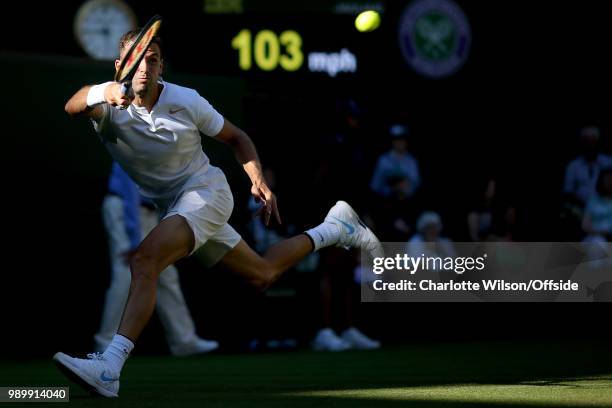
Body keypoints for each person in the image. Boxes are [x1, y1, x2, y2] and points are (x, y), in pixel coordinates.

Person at [54, 28, 382, 398]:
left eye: (152, 60)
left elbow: (237, 138)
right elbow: (74, 104)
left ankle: (109, 368)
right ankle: (334, 228)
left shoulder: (186, 100)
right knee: (263, 272)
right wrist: (105, 91)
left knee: (145, 260)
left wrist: (256, 179)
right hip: (173, 206)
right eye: (136, 61)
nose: (144, 68)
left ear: (161, 67)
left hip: (206, 192)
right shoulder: (108, 109)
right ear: (121, 67)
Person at [96, 162, 218, 356]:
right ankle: (106, 341)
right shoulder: (129, 139)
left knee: (166, 275)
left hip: (148, 214)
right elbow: (129, 191)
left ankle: (184, 341)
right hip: (123, 209)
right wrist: (135, 240)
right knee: (125, 274)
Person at [563, 126, 612, 206]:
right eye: (586, 141)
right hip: (580, 208)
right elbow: (568, 191)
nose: (590, 145)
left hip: (606, 208)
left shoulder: (609, 162)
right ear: (582, 143)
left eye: (593, 141)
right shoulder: (573, 166)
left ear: (597, 143)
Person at [370, 123, 421, 199]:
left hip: (407, 202)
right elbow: (375, 185)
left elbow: (417, 183)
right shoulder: (383, 160)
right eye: (397, 140)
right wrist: (391, 188)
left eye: (402, 139)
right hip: (387, 201)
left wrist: (405, 187)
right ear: (392, 141)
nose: (400, 143)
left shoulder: (412, 161)